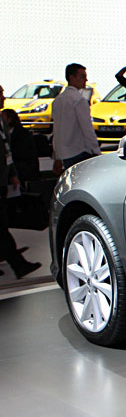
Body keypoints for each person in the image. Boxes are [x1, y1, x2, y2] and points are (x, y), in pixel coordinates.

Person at [0, 84, 41, 279]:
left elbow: (6, 151)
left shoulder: (1, 120)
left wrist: (12, 174)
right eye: (0, 93)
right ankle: (18, 264)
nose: (3, 96)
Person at [51, 63, 101, 173]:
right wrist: (96, 150)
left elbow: (57, 130)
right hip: (79, 152)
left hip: (64, 154)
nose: (86, 79)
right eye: (82, 76)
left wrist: (57, 156)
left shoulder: (57, 101)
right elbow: (87, 128)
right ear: (71, 77)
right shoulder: (79, 100)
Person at [0, 109, 39, 182]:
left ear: (9, 119)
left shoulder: (22, 134)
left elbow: (19, 153)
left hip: (23, 168)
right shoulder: (6, 134)